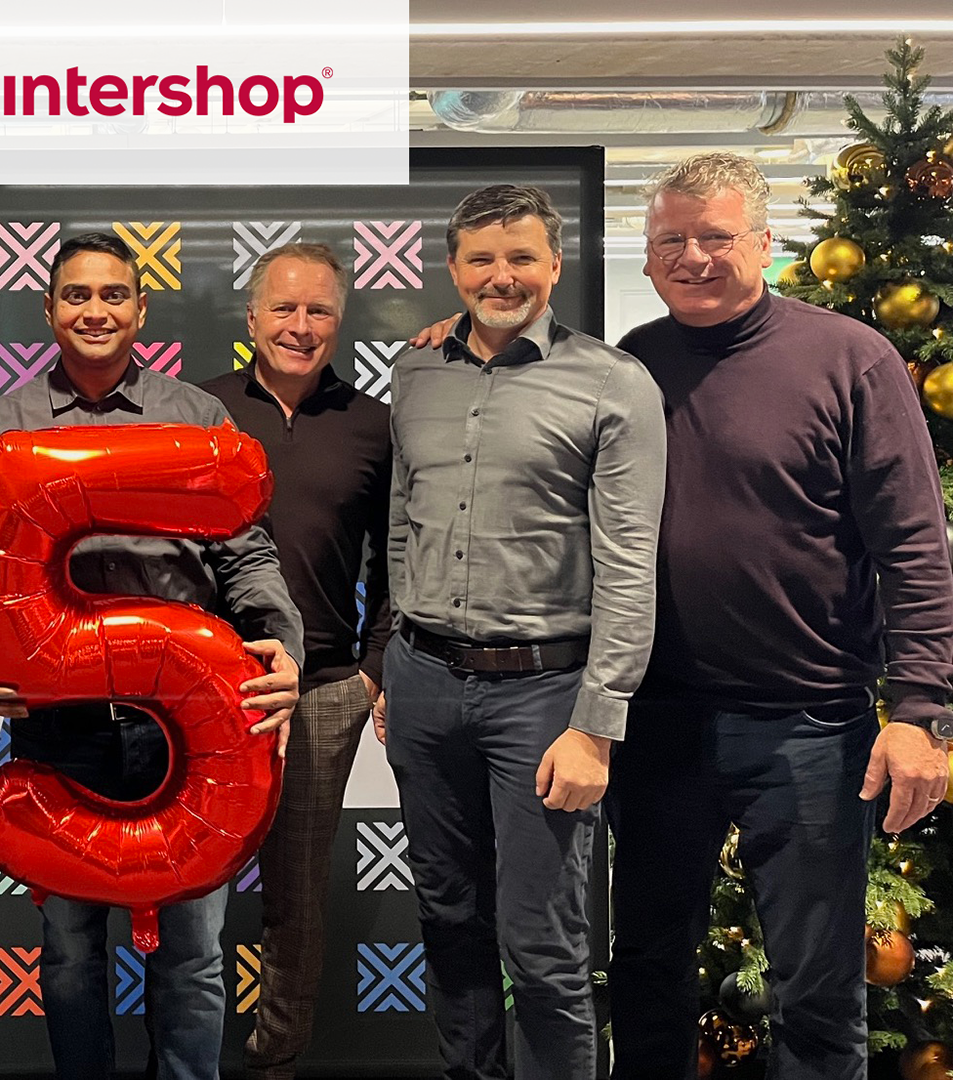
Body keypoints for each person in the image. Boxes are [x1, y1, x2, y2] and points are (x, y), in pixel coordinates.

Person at [604, 152, 953, 1078]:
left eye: (715, 237)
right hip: (654, 723)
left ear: (763, 242)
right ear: (647, 255)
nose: (692, 257)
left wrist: (920, 712)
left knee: (818, 986)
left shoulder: (850, 359)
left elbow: (914, 547)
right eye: (670, 240)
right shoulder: (630, 364)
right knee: (644, 967)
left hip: (808, 725)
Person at [0, 231, 303, 1080]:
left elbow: (245, 552)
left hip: (186, 726)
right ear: (48, 310)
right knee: (68, 950)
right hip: (59, 726)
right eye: (76, 295)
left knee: (193, 950)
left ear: (140, 309)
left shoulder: (193, 417)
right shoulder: (6, 423)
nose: (94, 311)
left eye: (111, 295)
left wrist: (280, 644)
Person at [383, 184, 665, 1080]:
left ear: (554, 264)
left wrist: (596, 725)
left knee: (541, 940)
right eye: (480, 259)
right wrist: (394, 655)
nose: (500, 277)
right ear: (453, 268)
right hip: (424, 681)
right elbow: (402, 523)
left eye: (520, 258)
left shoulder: (612, 382)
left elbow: (629, 563)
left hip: (544, 696)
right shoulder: (415, 371)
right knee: (447, 918)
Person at [198, 242, 391, 1080]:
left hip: (321, 692)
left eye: (318, 310)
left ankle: (275, 1059)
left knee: (298, 896)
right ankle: (188, 1057)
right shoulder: (199, 411)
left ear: (338, 322)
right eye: (283, 308)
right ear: (252, 318)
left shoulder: (373, 423)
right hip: (201, 690)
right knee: (190, 885)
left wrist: (371, 669)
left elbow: (401, 556)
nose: (299, 326)